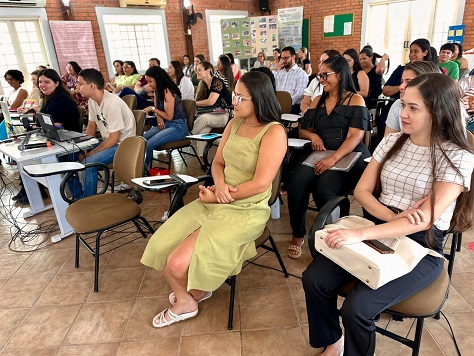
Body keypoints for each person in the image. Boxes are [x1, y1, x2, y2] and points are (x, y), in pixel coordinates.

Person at [302, 73, 474, 355]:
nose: (402, 114)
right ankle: (333, 341)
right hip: (380, 227)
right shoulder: (392, 142)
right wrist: (393, 218)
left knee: (357, 309)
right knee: (314, 280)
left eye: (413, 108)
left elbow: (426, 220)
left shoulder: (457, 155)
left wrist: (360, 233)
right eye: (402, 104)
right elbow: (362, 191)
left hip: (421, 245)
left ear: (438, 111)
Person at [140, 71, 287, 328]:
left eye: (242, 98)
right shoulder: (234, 123)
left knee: (176, 262)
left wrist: (219, 196)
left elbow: (261, 184)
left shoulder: (273, 132)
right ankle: (190, 295)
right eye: (235, 96)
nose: (234, 102)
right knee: (162, 243)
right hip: (219, 198)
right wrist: (218, 187)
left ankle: (187, 300)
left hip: (246, 209)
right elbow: (217, 163)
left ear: (260, 100)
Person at [287, 55, 371, 259]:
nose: (321, 79)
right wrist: (313, 135)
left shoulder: (355, 99)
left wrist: (332, 159)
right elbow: (303, 130)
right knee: (296, 186)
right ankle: (298, 234)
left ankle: (333, 237)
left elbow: (355, 136)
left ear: (340, 75)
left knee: (326, 189)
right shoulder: (318, 100)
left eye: (325, 75)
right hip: (321, 151)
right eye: (319, 75)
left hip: (350, 152)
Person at [67, 68, 136, 199]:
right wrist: (84, 149)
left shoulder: (111, 104)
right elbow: (91, 128)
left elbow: (114, 139)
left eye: (80, 83)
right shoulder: (92, 100)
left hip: (124, 144)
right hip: (109, 140)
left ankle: (90, 201)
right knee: (71, 154)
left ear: (92, 85)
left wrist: (90, 153)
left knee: (89, 163)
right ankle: (78, 195)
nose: (77, 87)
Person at [141, 66, 189, 167]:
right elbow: (158, 108)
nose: (148, 84)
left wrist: (153, 109)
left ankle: (140, 172)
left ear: (158, 79)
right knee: (140, 141)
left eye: (150, 81)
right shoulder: (157, 90)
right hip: (167, 124)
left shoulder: (168, 91)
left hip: (178, 126)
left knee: (148, 144)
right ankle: (138, 170)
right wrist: (159, 118)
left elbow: (169, 116)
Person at [384, 61, 440, 136]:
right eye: (401, 82)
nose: (400, 87)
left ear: (427, 84)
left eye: (409, 82)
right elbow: (388, 141)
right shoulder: (397, 105)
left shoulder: (443, 108)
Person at [191, 61, 232, 158]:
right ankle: (202, 159)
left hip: (227, 115)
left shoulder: (217, 82)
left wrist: (193, 103)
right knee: (202, 134)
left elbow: (210, 102)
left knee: (203, 118)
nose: (197, 72)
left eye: (199, 70)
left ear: (208, 71)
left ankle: (187, 136)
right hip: (214, 114)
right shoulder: (203, 85)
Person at [301, 49, 341, 114]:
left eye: (324, 61)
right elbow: (305, 103)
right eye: (320, 62)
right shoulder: (316, 80)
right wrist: (309, 115)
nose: (320, 65)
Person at [273, 46, 308, 114]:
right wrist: (277, 68)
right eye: (282, 58)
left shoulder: (300, 73)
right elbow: (274, 88)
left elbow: (299, 94)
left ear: (293, 57)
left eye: (286, 58)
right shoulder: (279, 72)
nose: (283, 60)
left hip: (293, 105)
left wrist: (285, 104)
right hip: (278, 105)